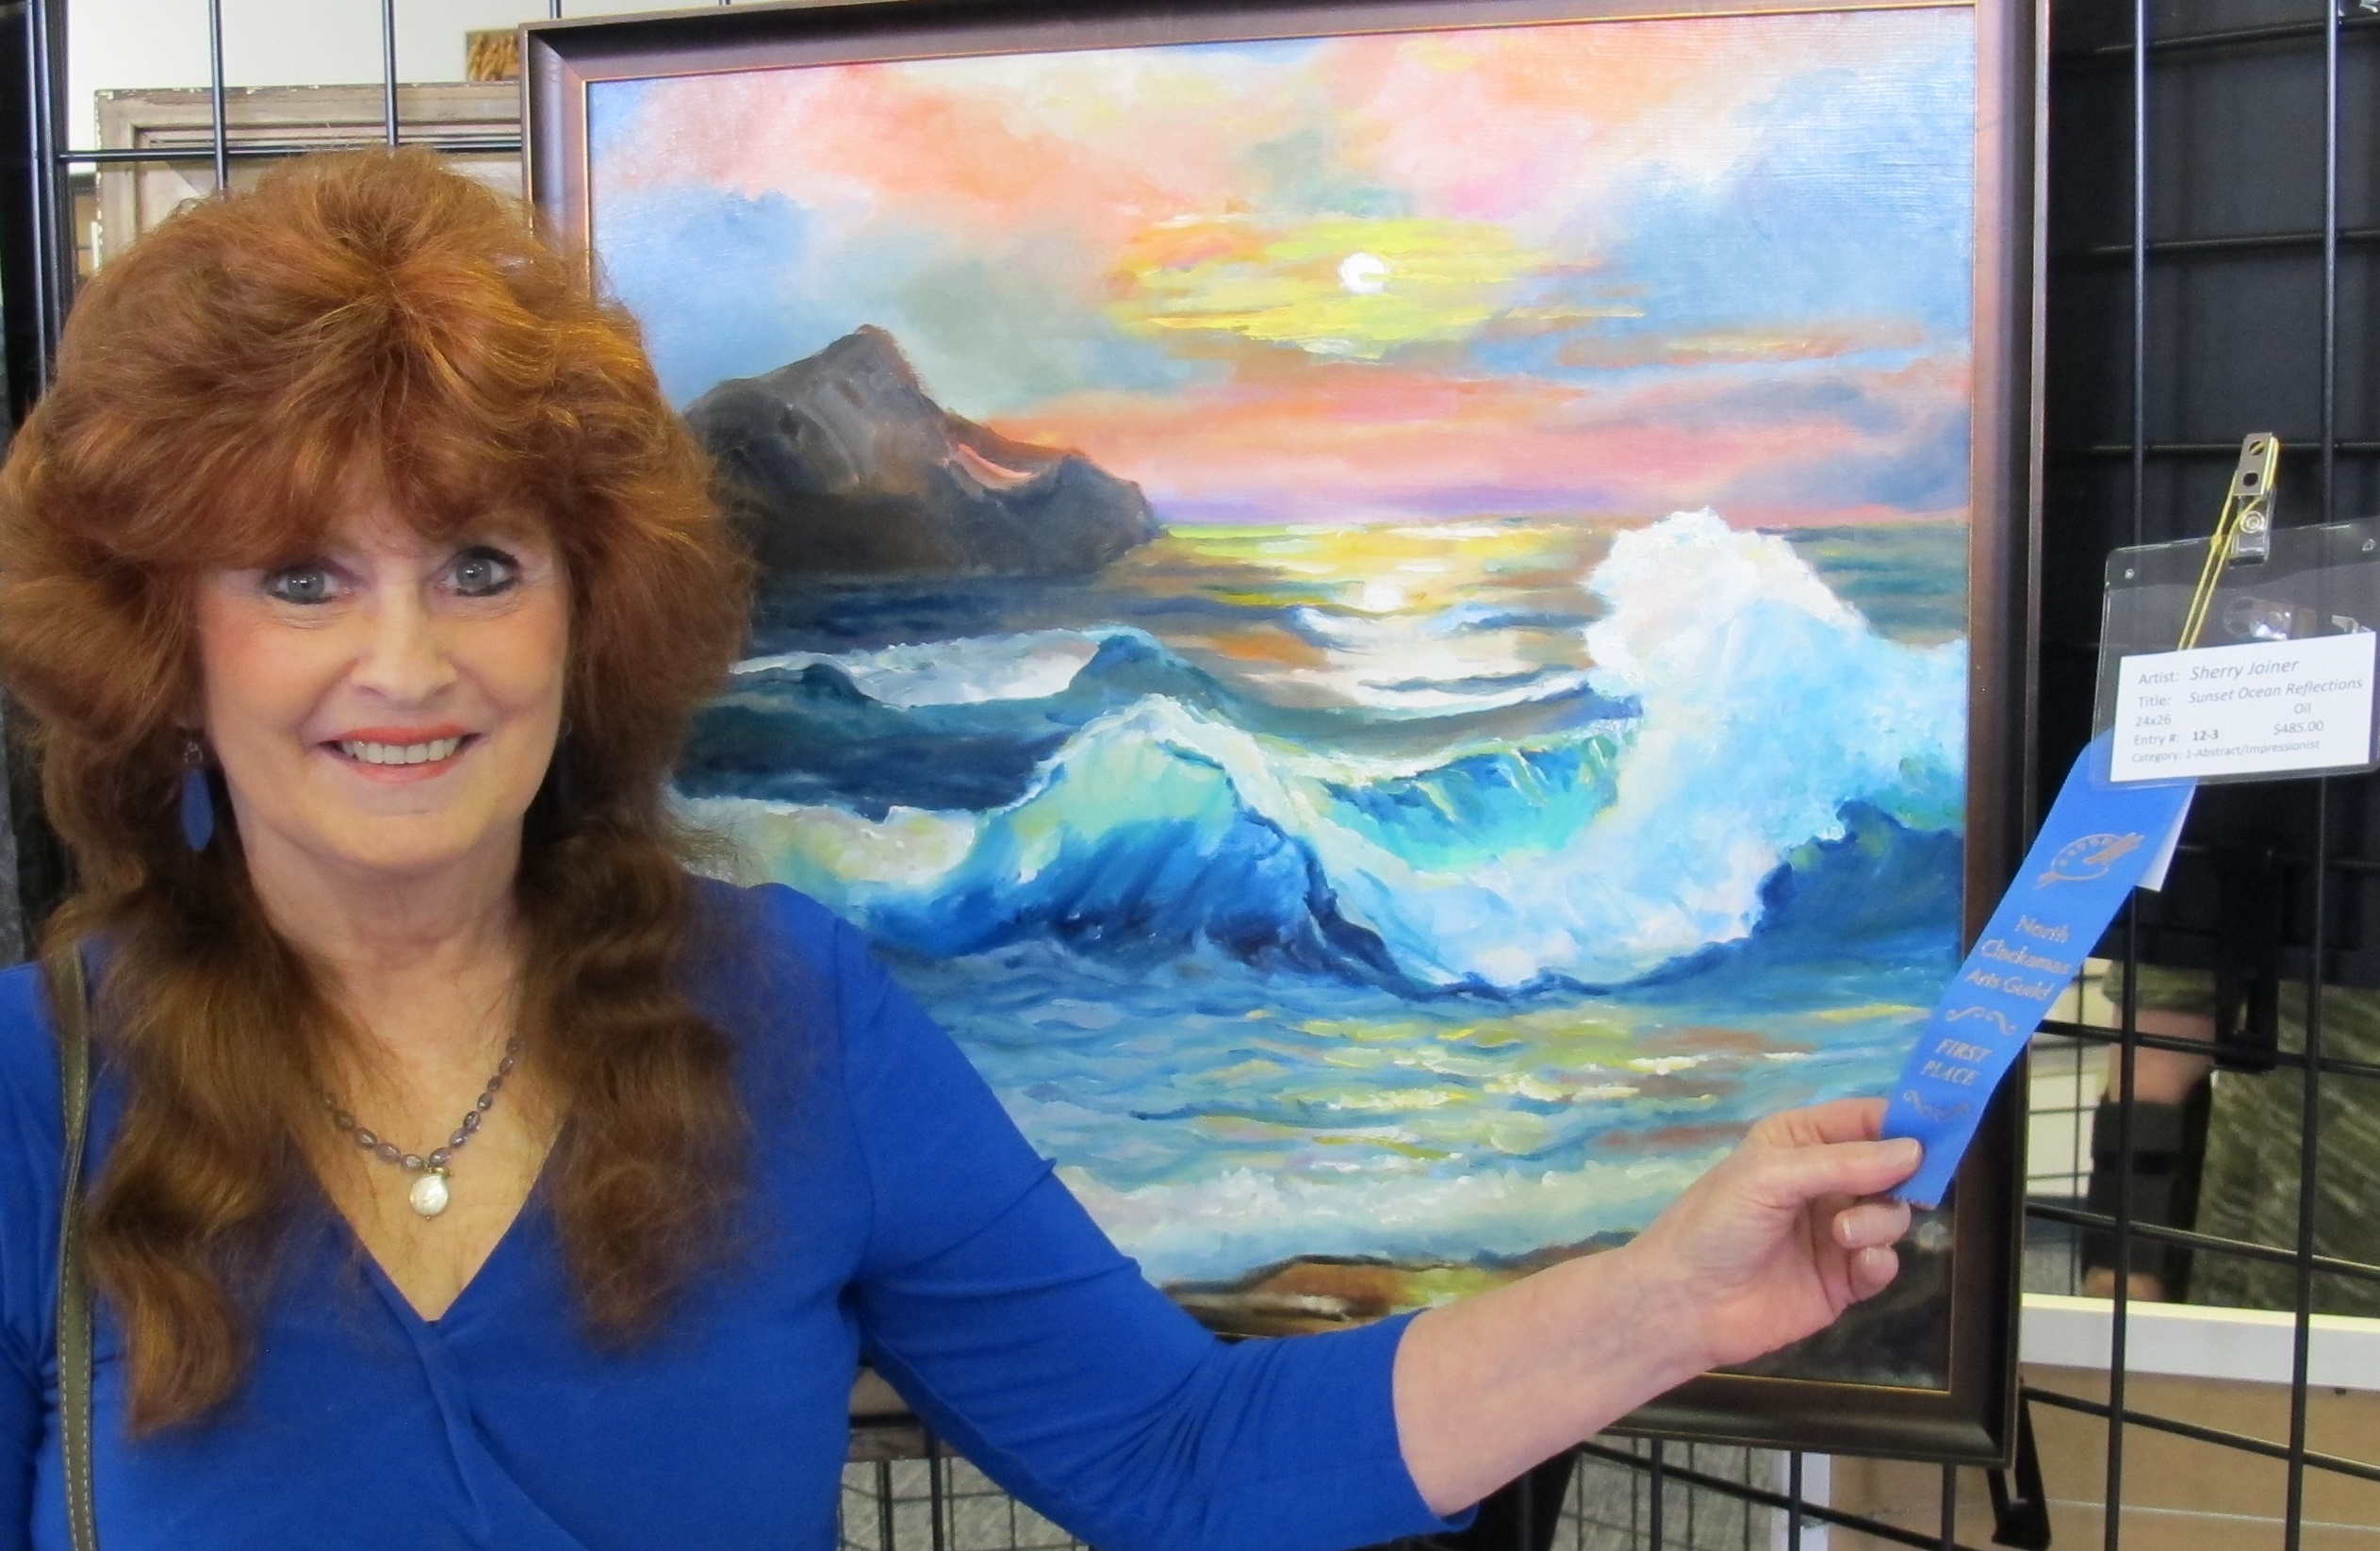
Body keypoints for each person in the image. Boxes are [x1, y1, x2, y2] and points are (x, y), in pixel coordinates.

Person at [0, 149, 1921, 1551]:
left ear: (590, 611)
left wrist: (1667, 1297)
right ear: (165, 631)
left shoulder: (785, 1016)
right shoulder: (32, 1093)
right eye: (303, 575)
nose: (409, 663)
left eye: (482, 564)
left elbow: (1183, 1451)